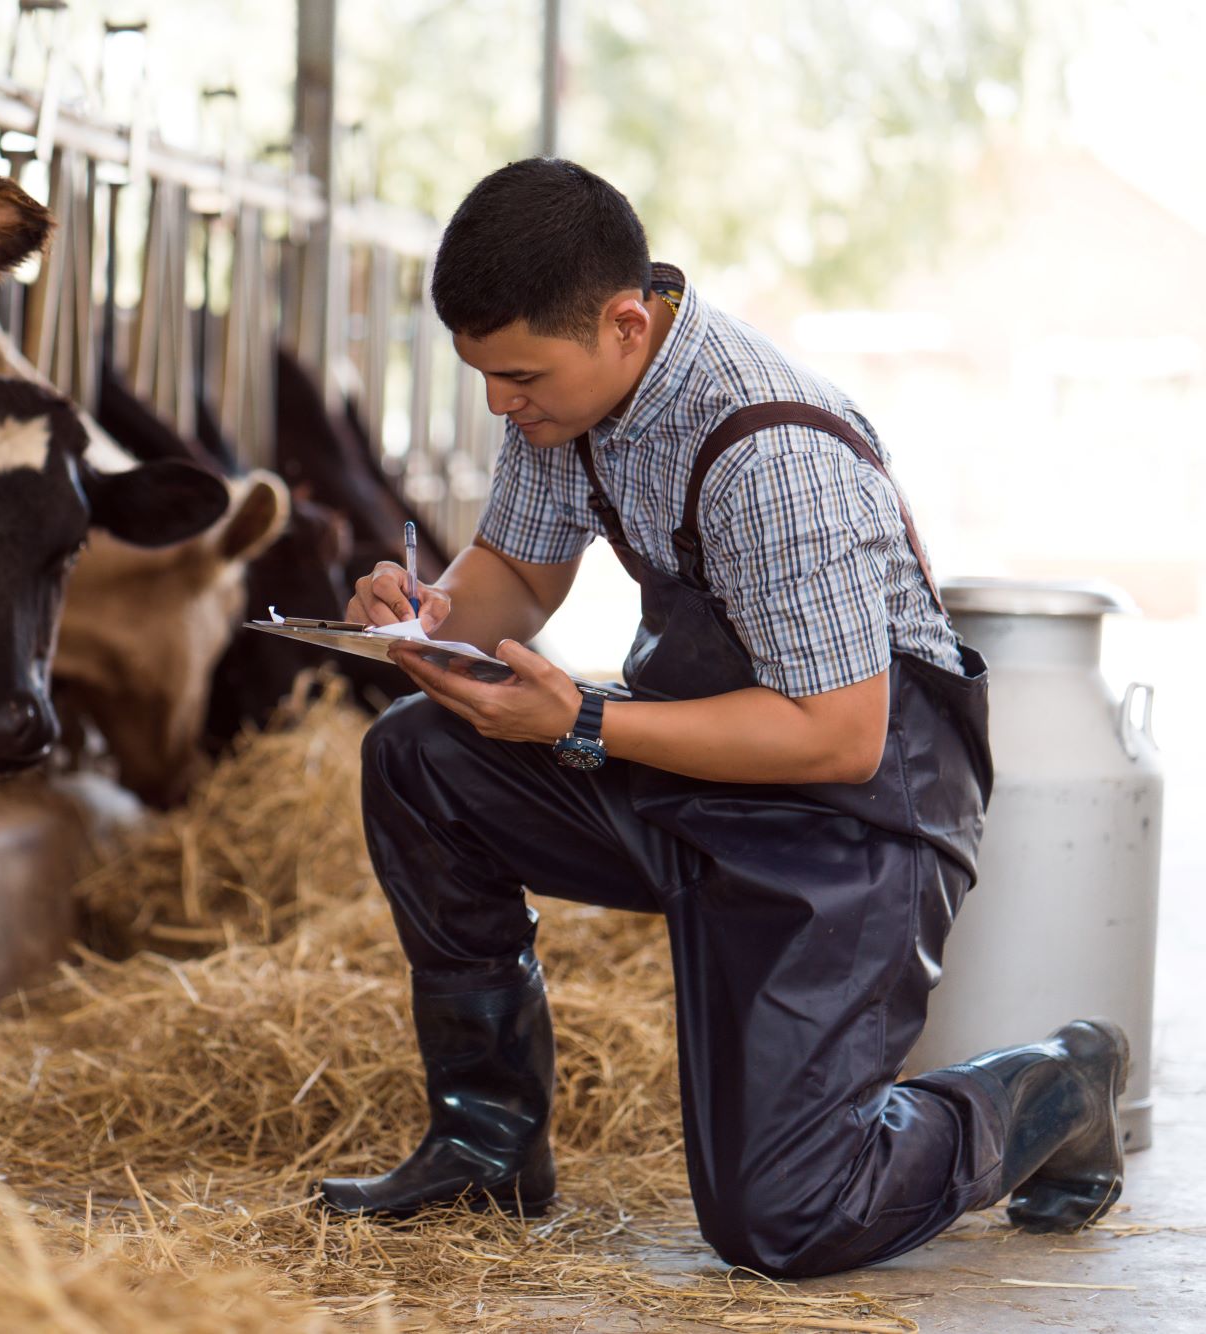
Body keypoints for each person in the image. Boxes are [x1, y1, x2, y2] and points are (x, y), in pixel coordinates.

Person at [323, 158, 1128, 1279]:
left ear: (620, 322)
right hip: (697, 768)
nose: (501, 404)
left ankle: (1046, 1085)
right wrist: (425, 618)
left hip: (849, 821)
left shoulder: (768, 449)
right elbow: (516, 568)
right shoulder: (573, 402)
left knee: (784, 1220)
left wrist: (584, 722)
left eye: (516, 375)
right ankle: (486, 1148)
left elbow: (837, 733)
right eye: (486, 377)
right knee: (418, 756)